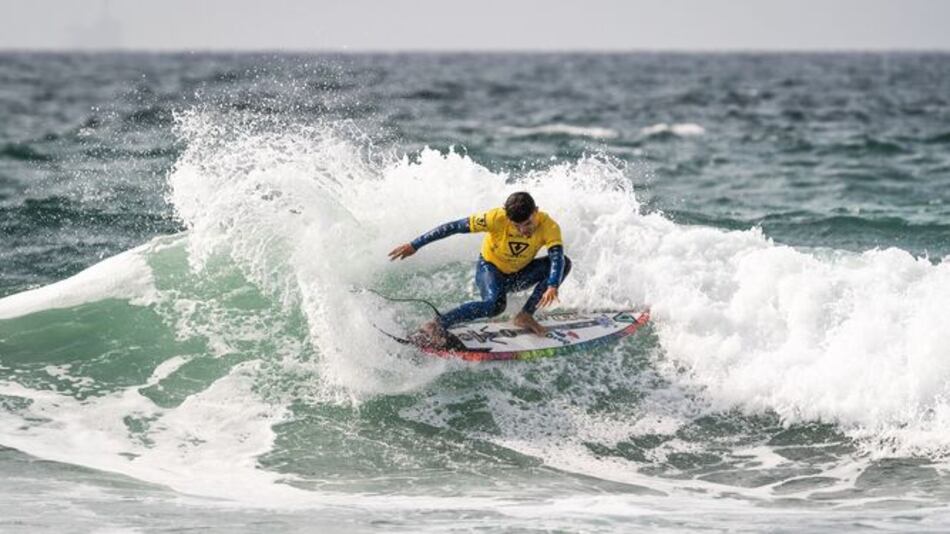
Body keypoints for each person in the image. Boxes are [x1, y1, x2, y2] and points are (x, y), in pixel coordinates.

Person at [388, 192, 572, 347]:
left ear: (536, 211)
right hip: (490, 270)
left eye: (528, 224)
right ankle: (436, 325)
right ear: (508, 218)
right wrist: (415, 245)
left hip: (519, 275)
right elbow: (454, 227)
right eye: (517, 226)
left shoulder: (549, 226)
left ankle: (525, 315)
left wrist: (553, 285)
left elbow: (556, 256)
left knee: (564, 262)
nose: (524, 231)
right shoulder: (495, 218)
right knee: (495, 306)